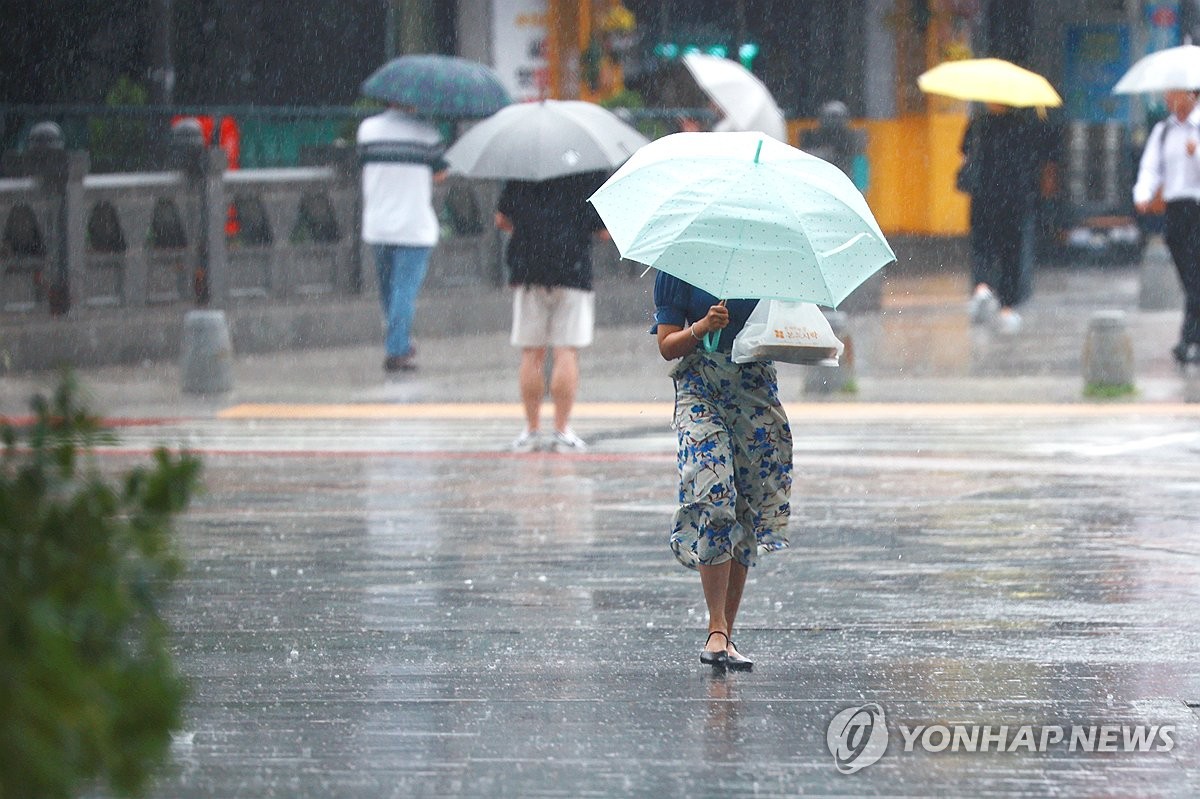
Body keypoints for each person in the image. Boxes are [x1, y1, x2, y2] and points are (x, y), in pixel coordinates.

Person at [651, 273, 793, 670]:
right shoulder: (678, 266)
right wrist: (702, 327)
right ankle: (715, 627)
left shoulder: (767, 267)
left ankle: (726, 633)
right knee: (713, 494)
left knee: (745, 503)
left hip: (754, 387)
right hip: (700, 387)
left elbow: (789, 330)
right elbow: (666, 345)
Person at [496, 170, 610, 452]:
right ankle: (561, 429)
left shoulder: (523, 171)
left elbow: (501, 219)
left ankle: (532, 429)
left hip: (528, 269)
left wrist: (532, 228)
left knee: (532, 352)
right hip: (573, 271)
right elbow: (605, 232)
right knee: (566, 351)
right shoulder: (588, 173)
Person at [357, 103, 448, 372]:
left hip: (379, 223)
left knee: (388, 291)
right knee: (403, 291)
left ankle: (400, 341)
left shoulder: (368, 129)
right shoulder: (427, 133)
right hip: (414, 226)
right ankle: (397, 350)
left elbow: (363, 164)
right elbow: (440, 173)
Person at [960, 102, 1054, 334]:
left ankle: (982, 288)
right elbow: (1037, 160)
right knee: (1011, 253)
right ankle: (1007, 307)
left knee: (982, 246)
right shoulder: (1024, 127)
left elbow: (964, 154)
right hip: (1014, 200)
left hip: (983, 198)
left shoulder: (977, 125)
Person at [1132, 88, 1200, 366]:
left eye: (1172, 93)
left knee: (1196, 277)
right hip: (1176, 211)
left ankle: (1188, 339)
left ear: (1189, 95)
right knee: (1189, 276)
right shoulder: (1163, 131)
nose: (1166, 100)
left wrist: (1196, 155)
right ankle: (1192, 338)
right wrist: (1143, 194)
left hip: (1198, 208)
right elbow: (1151, 168)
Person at [801, 100, 870, 192]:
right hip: (823, 185)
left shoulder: (854, 141)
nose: (834, 122)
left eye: (836, 118)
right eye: (831, 118)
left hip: (845, 185)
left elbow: (860, 171)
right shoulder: (812, 138)